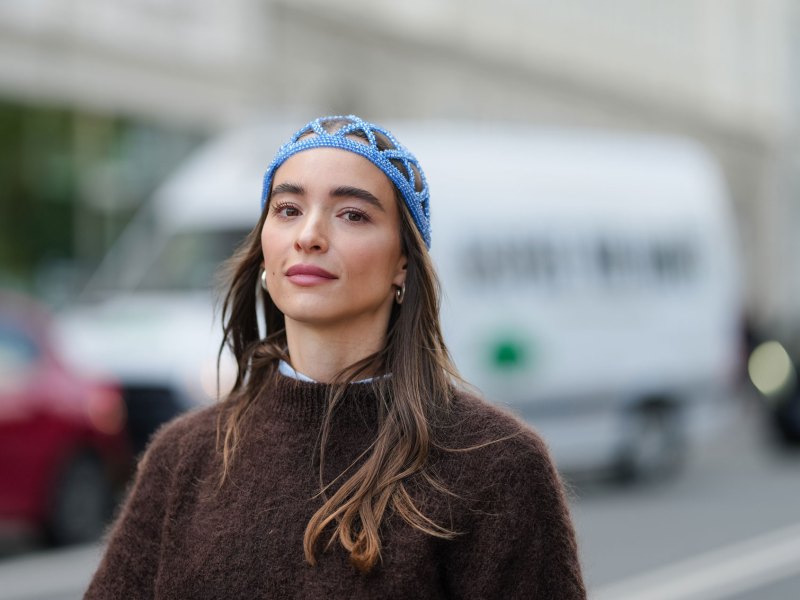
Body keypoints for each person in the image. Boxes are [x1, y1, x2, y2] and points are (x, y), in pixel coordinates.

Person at [85, 115, 587, 599]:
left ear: (403, 264)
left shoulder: (497, 463)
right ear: (264, 249)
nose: (309, 235)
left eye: (352, 214)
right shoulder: (182, 457)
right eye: (288, 210)